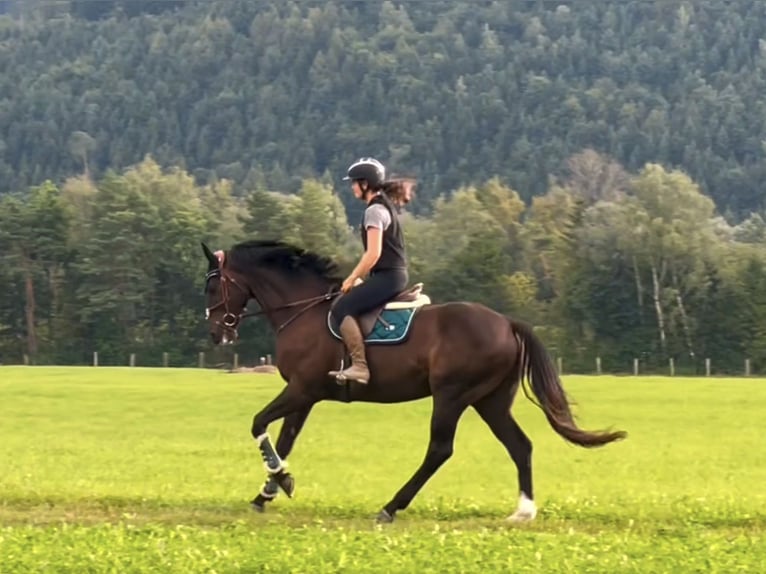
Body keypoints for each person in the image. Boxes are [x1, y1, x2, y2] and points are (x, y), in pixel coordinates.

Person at [328, 157, 412, 384]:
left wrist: (353, 277)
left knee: (341, 307)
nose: (352, 187)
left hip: (388, 277)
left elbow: (373, 253)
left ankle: (360, 367)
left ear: (365, 184)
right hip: (391, 275)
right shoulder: (384, 206)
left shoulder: (374, 211)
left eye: (354, 182)